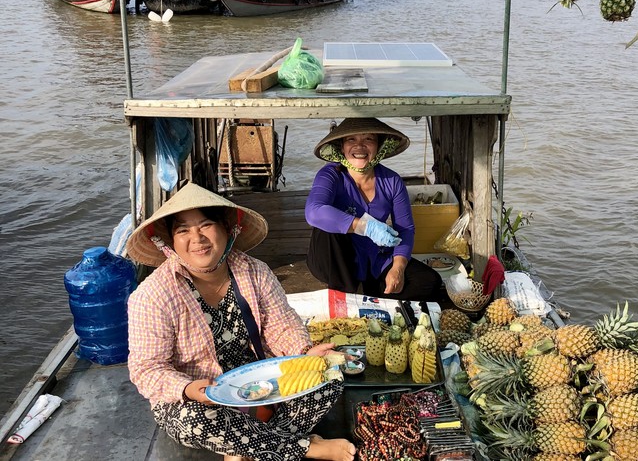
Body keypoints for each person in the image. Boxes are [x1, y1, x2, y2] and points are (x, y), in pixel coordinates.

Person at [125, 182, 356, 461]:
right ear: (170, 243)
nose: (196, 238)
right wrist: (186, 389)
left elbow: (281, 326)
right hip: (202, 396)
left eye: (206, 225)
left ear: (228, 229)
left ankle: (245, 447)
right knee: (197, 419)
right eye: (182, 230)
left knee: (328, 377)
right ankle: (305, 447)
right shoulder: (152, 295)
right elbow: (147, 369)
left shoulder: (255, 271)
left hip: (259, 383)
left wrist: (306, 353)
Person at [304, 118, 444, 302]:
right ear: (341, 146)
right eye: (351, 140)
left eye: (368, 139)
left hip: (375, 256)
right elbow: (313, 212)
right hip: (335, 259)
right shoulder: (331, 174)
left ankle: (375, 292)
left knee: (429, 282)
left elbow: (406, 229)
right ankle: (345, 293)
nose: (359, 147)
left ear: (380, 146)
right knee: (327, 225)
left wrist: (397, 268)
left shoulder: (392, 181)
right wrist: (365, 227)